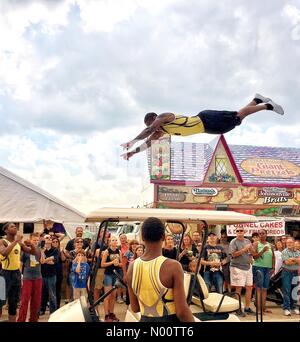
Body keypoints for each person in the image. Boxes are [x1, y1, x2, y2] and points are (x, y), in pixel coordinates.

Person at [121, 94, 284, 160]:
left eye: (153, 126)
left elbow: (149, 131)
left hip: (205, 119)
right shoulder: (160, 131)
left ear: (154, 119)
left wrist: (132, 140)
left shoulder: (165, 117)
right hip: (206, 128)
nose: (154, 130)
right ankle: (256, 100)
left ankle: (267, 106)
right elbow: (148, 142)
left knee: (237, 116)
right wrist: (132, 153)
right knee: (238, 118)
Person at [126, 217, 195, 322]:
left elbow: (135, 307)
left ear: (142, 238)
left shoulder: (132, 267)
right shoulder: (173, 266)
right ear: (163, 237)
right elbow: (182, 312)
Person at [0, 222, 36, 322]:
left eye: (15, 226)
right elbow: (4, 252)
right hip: (4, 274)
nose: (15, 227)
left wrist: (31, 244)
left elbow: (32, 252)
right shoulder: (2, 241)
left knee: (13, 303)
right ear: (6, 230)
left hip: (16, 274)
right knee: (0, 301)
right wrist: (15, 241)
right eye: (12, 226)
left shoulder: (19, 243)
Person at [229, 227, 255, 317]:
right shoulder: (233, 242)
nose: (239, 232)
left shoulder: (247, 241)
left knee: (249, 287)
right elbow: (233, 254)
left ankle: (247, 308)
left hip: (248, 267)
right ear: (235, 232)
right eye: (238, 231)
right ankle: (238, 309)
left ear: (244, 232)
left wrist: (251, 250)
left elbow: (252, 253)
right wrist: (244, 249)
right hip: (237, 267)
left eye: (241, 231)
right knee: (238, 288)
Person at [17, 233, 43, 322]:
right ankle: (21, 320)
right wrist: (20, 276)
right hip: (27, 278)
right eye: (34, 240)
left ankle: (33, 319)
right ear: (30, 240)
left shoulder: (39, 250)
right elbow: (20, 264)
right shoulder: (25, 250)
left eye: (37, 240)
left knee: (36, 301)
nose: (36, 242)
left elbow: (42, 261)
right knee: (24, 301)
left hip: (38, 278)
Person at [252, 229, 275, 313]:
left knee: (265, 289)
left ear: (266, 234)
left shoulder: (270, 245)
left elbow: (273, 256)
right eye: (260, 234)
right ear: (258, 235)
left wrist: (273, 267)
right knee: (259, 289)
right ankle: (258, 309)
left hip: (268, 268)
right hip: (258, 267)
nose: (261, 235)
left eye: (263, 233)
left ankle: (263, 308)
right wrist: (263, 251)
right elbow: (254, 256)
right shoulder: (256, 244)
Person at [101, 235, 122, 322]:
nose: (114, 241)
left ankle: (111, 313)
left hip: (116, 274)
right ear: (110, 242)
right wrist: (112, 262)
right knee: (107, 295)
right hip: (108, 274)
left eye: (115, 240)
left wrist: (118, 264)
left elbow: (121, 264)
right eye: (112, 240)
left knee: (113, 295)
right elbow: (102, 264)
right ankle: (106, 315)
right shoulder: (107, 251)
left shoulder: (119, 251)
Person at [40, 235, 59, 315]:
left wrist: (45, 260)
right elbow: (41, 261)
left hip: (51, 275)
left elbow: (53, 262)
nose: (49, 239)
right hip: (42, 274)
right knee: (43, 294)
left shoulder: (55, 250)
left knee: (52, 294)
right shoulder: (41, 250)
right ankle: (42, 310)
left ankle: (53, 312)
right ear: (44, 240)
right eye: (47, 237)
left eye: (50, 238)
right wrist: (47, 258)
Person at [281, 237, 300, 316]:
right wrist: (296, 260)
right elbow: (287, 262)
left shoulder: (298, 251)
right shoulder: (284, 252)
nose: (289, 244)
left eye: (290, 242)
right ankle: (286, 308)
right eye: (287, 242)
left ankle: (294, 307)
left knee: (295, 291)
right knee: (287, 290)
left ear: (293, 243)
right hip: (286, 273)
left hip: (295, 273)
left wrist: (292, 259)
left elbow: (299, 262)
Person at [51, 237, 66, 309]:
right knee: (50, 291)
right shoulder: (49, 250)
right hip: (50, 273)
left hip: (58, 273)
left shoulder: (59, 251)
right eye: (53, 242)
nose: (55, 243)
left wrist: (61, 251)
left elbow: (63, 259)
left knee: (57, 290)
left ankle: (57, 306)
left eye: (57, 242)